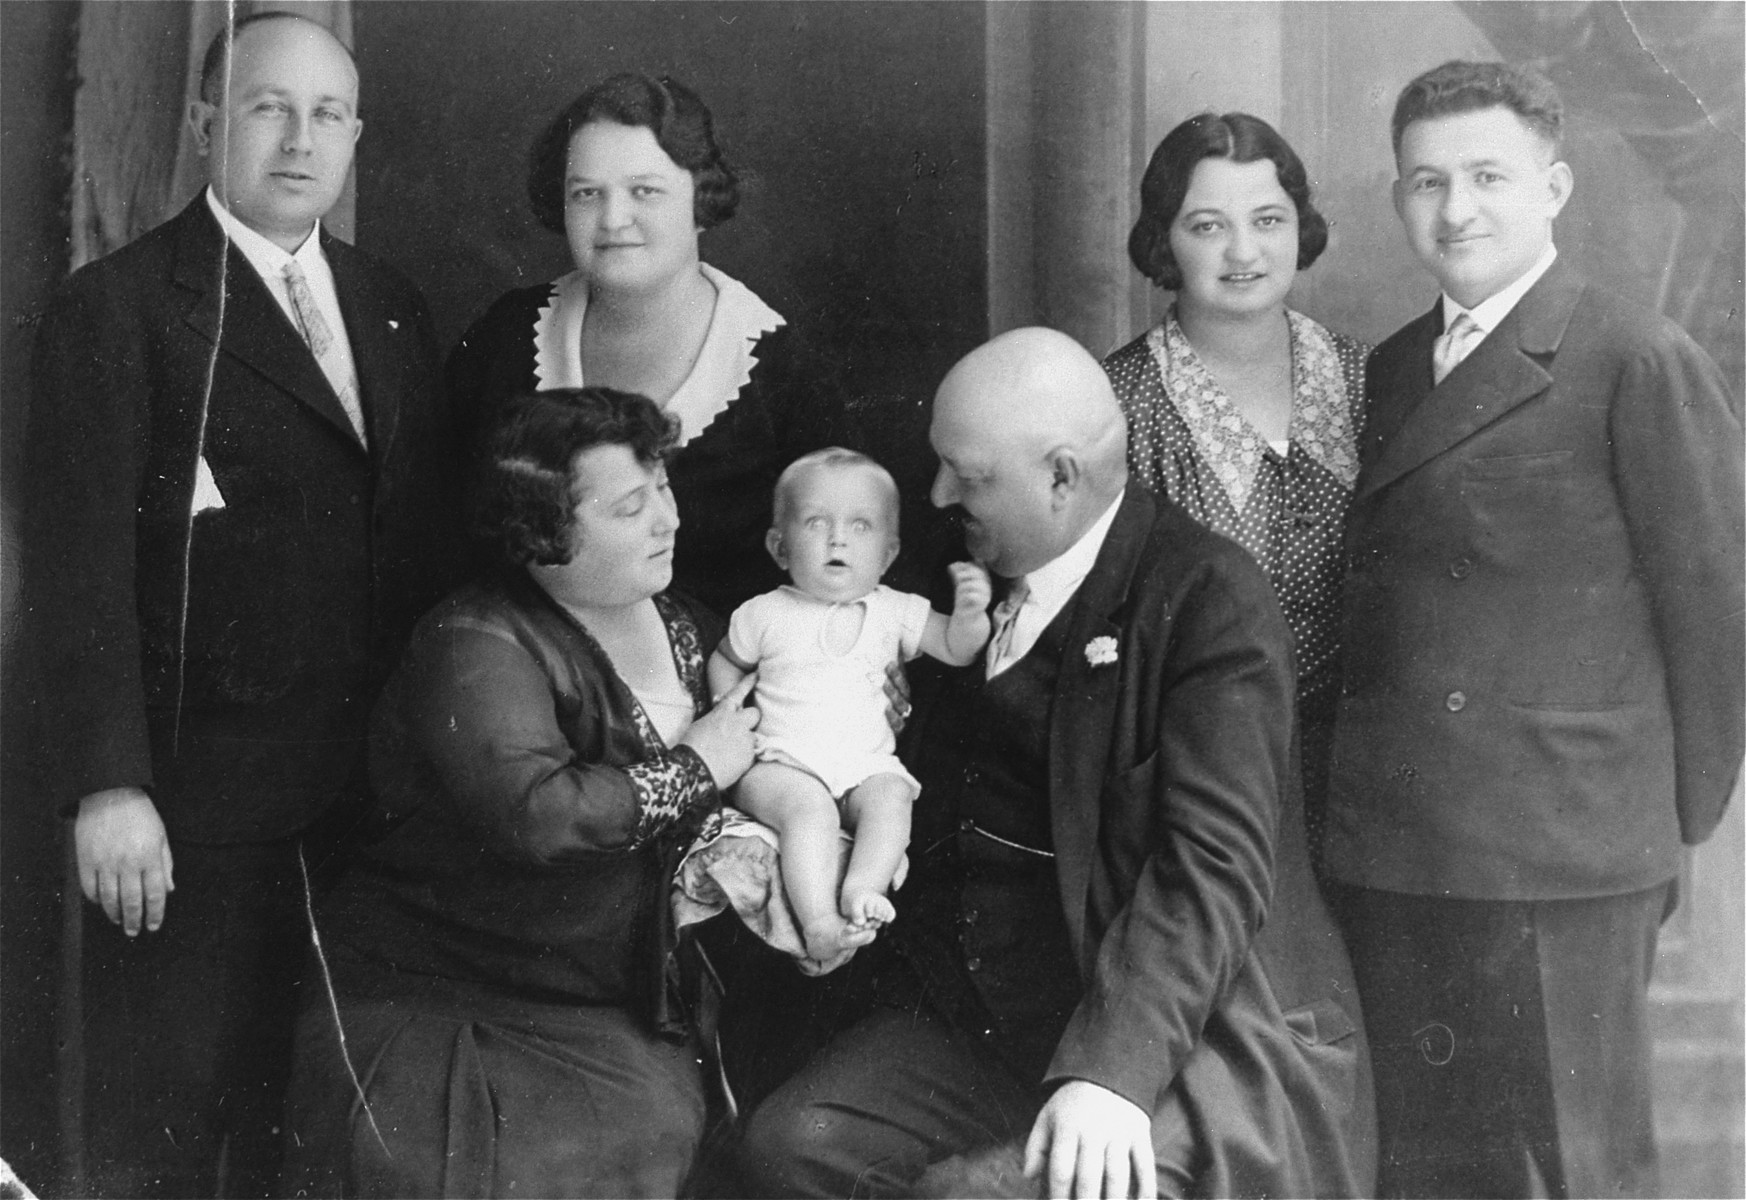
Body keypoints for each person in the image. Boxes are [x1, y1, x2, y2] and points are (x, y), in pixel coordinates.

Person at [740, 327, 1375, 1199]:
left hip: (1183, 1027)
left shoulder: (1207, 598)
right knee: (790, 1146)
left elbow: (1214, 870)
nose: (935, 493)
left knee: (966, 1196)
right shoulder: (963, 564)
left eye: (967, 476)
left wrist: (1111, 1073)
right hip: (985, 1020)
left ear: (1062, 477)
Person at [20, 14, 456, 1197]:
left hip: (364, 809)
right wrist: (111, 784)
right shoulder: (117, 306)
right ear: (210, 122)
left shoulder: (390, 304)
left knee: (316, 1137)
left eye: (327, 115)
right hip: (192, 811)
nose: (299, 139)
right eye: (269, 108)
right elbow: (76, 569)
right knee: (159, 1132)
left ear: (357, 135)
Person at [1325, 60, 1744, 1198]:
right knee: (1430, 1171)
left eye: (1487, 178)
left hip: (1564, 854)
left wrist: (1657, 827)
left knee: (1582, 1173)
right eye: (1425, 183)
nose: (1455, 211)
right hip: (1404, 850)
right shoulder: (1390, 371)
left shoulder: (1634, 358)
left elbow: (1717, 616)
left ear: (1554, 189)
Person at [281, 387, 762, 1197]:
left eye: (666, 489)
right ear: (545, 531)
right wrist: (695, 766)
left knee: (662, 1129)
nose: (668, 521)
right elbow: (538, 817)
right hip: (442, 994)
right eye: (632, 506)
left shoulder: (693, 627)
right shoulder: (475, 642)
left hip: (607, 991)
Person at [448, 72, 847, 617]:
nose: (613, 220)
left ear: (701, 200)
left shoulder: (779, 370)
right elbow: (435, 526)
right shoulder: (508, 335)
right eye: (587, 193)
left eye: (645, 191)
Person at [1103, 112, 1367, 823]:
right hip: (1192, 782)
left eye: (1269, 220)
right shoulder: (1115, 404)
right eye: (1208, 226)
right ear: (1165, 240)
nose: (1244, 251)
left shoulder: (1366, 378)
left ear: (1299, 228)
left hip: (1360, 775)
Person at [709, 448, 992, 962]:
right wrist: (728, 716)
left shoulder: (896, 610)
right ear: (779, 547)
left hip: (863, 766)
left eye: (861, 526)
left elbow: (955, 646)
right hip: (782, 763)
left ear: (887, 554)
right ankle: (819, 924)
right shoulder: (763, 614)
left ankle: (863, 888)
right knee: (809, 811)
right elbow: (725, 661)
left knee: (891, 797)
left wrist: (972, 614)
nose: (837, 538)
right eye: (816, 523)